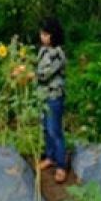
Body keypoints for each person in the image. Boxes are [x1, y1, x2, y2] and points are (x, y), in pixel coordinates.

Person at [35, 18, 68, 183]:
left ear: (53, 35)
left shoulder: (58, 54)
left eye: (46, 34)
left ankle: (61, 166)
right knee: (46, 129)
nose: (42, 37)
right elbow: (36, 66)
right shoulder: (43, 50)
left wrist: (27, 75)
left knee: (55, 130)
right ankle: (50, 157)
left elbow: (44, 74)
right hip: (42, 95)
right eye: (42, 34)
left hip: (54, 96)